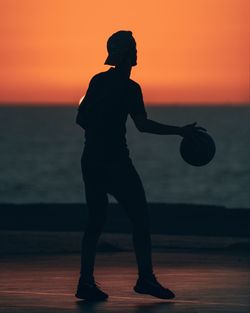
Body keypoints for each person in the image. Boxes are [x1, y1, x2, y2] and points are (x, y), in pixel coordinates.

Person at [75, 30, 204, 301]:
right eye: (133, 48)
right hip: (116, 162)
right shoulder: (131, 88)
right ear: (122, 54)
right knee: (140, 219)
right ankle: (145, 279)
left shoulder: (97, 81)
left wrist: (100, 128)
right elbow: (143, 125)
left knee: (95, 222)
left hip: (91, 160)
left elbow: (81, 118)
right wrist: (179, 131)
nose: (137, 52)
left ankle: (85, 282)